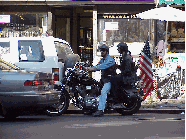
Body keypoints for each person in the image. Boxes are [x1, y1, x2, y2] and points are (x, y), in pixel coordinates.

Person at [84, 44, 116, 117]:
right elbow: (97, 66)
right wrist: (87, 69)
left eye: (103, 50)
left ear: (107, 52)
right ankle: (92, 108)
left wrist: (91, 69)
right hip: (104, 79)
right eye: (101, 50)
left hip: (110, 80)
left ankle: (100, 110)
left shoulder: (110, 60)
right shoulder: (102, 60)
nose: (102, 52)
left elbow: (102, 66)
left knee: (103, 92)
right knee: (95, 89)